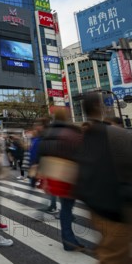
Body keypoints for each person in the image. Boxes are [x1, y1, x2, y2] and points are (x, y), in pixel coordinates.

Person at [74, 92, 132, 264]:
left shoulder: (82, 135)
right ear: (100, 107)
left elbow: (76, 171)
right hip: (117, 206)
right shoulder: (116, 134)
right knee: (115, 259)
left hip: (94, 205)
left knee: (123, 257)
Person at [37, 108, 85, 252]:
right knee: (67, 208)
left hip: (53, 174)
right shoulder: (71, 133)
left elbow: (42, 152)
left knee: (65, 207)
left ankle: (68, 239)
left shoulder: (48, 133)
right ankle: (69, 240)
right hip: (70, 174)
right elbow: (81, 152)